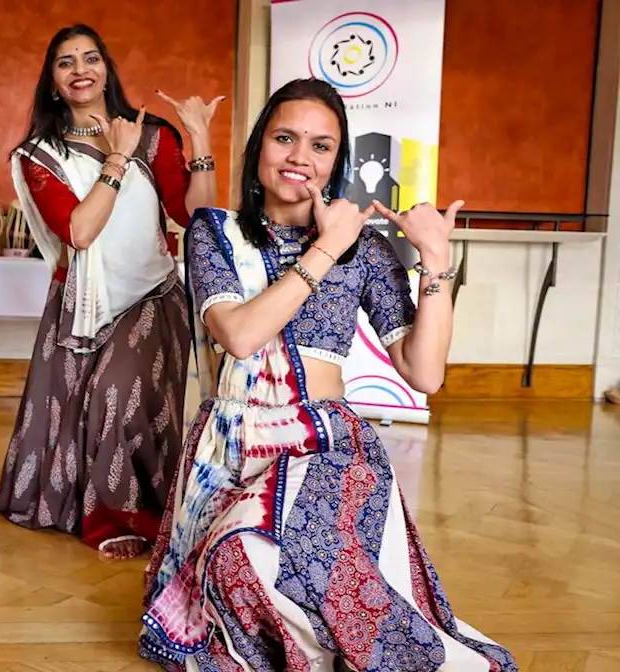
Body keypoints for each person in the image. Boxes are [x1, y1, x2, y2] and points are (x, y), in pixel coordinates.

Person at [139, 78, 516, 670]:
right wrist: (325, 248)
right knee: (240, 564)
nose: (299, 157)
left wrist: (436, 265)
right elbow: (239, 335)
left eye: (321, 146)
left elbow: (425, 373)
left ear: (337, 160)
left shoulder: (363, 250)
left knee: (274, 558)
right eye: (284, 138)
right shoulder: (215, 231)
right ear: (258, 145)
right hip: (235, 444)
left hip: (327, 447)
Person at [0, 24, 220, 560]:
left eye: (91, 58)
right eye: (66, 62)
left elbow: (195, 216)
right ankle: (74, 503)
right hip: (79, 304)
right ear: (52, 81)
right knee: (71, 411)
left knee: (116, 394)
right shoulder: (38, 156)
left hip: (152, 294)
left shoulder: (152, 134)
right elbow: (80, 230)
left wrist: (199, 139)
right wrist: (117, 159)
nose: (81, 69)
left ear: (107, 69)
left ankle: (120, 513)